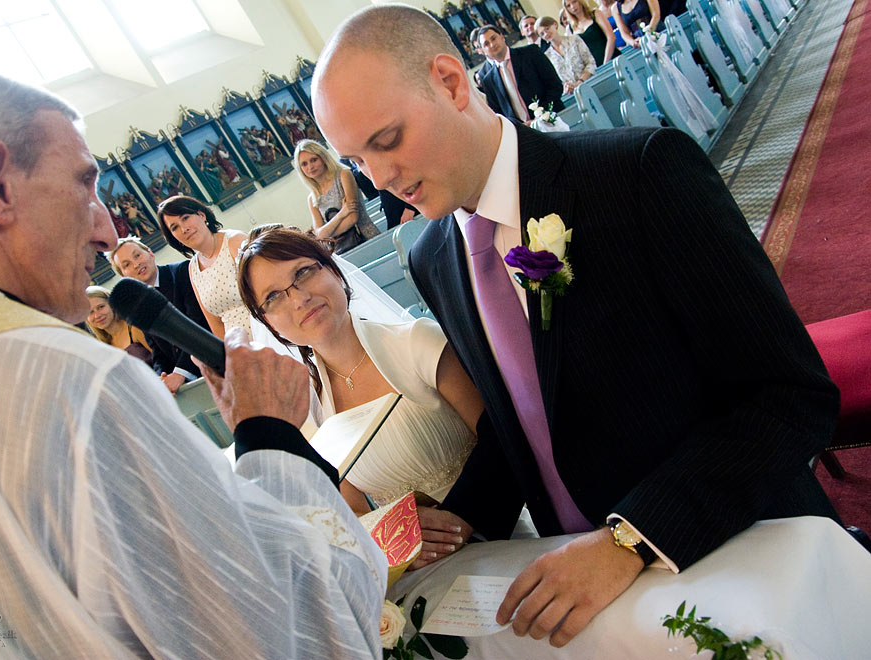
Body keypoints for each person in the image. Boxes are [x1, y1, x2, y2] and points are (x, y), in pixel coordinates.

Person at [312, 4, 840, 649]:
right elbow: (524, 424)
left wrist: (632, 538)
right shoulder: (432, 257)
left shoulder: (637, 173)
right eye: (356, 161)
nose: (381, 179)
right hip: (585, 595)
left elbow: (788, 394)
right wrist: (460, 518)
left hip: (726, 545)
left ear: (451, 82)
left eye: (387, 140)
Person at [0, 63, 386, 657]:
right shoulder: (78, 382)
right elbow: (293, 631)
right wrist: (271, 436)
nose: (105, 231)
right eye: (83, 184)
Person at [237, 228, 484, 547]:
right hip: (417, 564)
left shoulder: (417, 343)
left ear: (334, 270)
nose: (299, 299)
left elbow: (502, 440)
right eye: (273, 297)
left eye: (303, 273)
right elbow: (355, 510)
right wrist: (401, 541)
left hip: (493, 526)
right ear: (267, 322)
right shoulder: (310, 408)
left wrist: (454, 529)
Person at [107, 235, 210, 394]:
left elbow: (200, 324)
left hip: (212, 364)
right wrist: (161, 379)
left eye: (138, 255)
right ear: (124, 276)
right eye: (126, 264)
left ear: (150, 253)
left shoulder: (183, 272)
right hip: (185, 386)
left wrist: (179, 374)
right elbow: (158, 351)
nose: (136, 264)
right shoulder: (138, 305)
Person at [155, 194, 250, 339]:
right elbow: (216, 324)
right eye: (174, 227)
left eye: (185, 218)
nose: (183, 229)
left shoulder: (235, 242)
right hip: (239, 348)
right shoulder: (193, 268)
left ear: (201, 215)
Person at [294, 139, 380, 255]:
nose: (310, 166)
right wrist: (342, 214)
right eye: (304, 164)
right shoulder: (312, 197)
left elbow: (353, 218)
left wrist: (327, 232)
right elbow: (319, 235)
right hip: (341, 250)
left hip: (367, 238)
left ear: (323, 158)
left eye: (313, 160)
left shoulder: (343, 175)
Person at [477, 24, 564, 124]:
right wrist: (520, 127)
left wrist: (541, 115)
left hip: (552, 119)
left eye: (493, 38)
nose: (492, 45)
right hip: (524, 132)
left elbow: (555, 86)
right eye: (486, 44)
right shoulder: (488, 80)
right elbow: (499, 114)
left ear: (502, 37)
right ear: (483, 51)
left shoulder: (531, 53)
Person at [85, 284, 153, 364]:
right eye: (90, 312)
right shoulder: (103, 346)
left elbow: (163, 358)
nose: (97, 315)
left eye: (101, 307)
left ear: (112, 303)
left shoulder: (134, 328)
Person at [536, 16, 597, 95]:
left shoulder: (574, 39)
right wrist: (566, 87)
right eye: (542, 34)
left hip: (591, 82)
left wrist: (580, 82)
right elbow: (556, 81)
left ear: (555, 24)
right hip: (572, 93)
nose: (546, 34)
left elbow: (590, 63)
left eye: (547, 29)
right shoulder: (547, 56)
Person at [563, 0, 617, 66]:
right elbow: (576, 54)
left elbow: (611, 37)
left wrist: (605, 63)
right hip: (593, 67)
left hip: (611, 58)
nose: (572, 6)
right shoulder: (570, 29)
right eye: (568, 6)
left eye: (574, 1)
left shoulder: (596, 13)